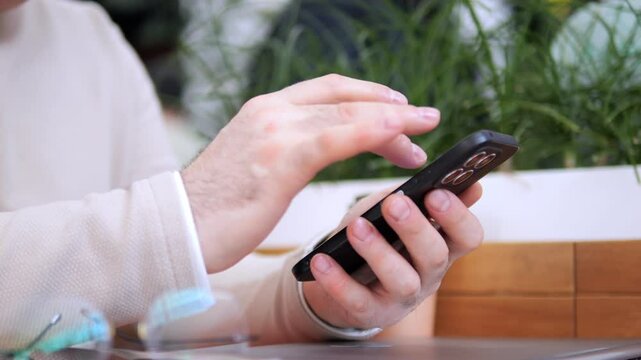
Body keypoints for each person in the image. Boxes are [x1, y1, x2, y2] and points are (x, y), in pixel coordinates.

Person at [0, 0, 484, 348]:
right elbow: (150, 248)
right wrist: (186, 211)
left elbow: (151, 298)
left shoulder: (87, 33)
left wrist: (320, 291)